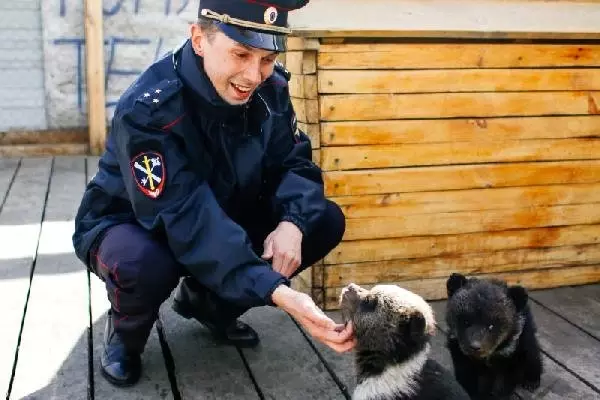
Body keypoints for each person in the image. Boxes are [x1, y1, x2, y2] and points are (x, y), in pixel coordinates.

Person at [72, 0, 355, 388]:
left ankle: (210, 305)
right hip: (136, 223)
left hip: (219, 212)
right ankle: (125, 334)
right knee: (143, 264)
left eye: (268, 59)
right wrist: (276, 291)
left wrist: (292, 222)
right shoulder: (148, 109)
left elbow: (294, 163)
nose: (254, 75)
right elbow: (185, 215)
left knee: (320, 219)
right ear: (199, 39)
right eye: (241, 53)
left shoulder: (270, 89)